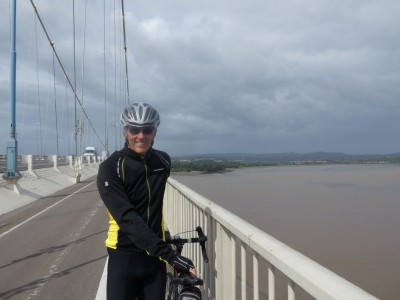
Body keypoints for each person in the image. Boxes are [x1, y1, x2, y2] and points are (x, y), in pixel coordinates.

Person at [97, 102, 196, 300]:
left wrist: (163, 250)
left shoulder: (163, 161)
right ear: (125, 131)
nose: (141, 135)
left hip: (155, 257)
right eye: (134, 129)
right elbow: (127, 218)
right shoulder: (111, 168)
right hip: (124, 254)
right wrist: (171, 256)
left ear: (155, 131)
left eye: (147, 129)